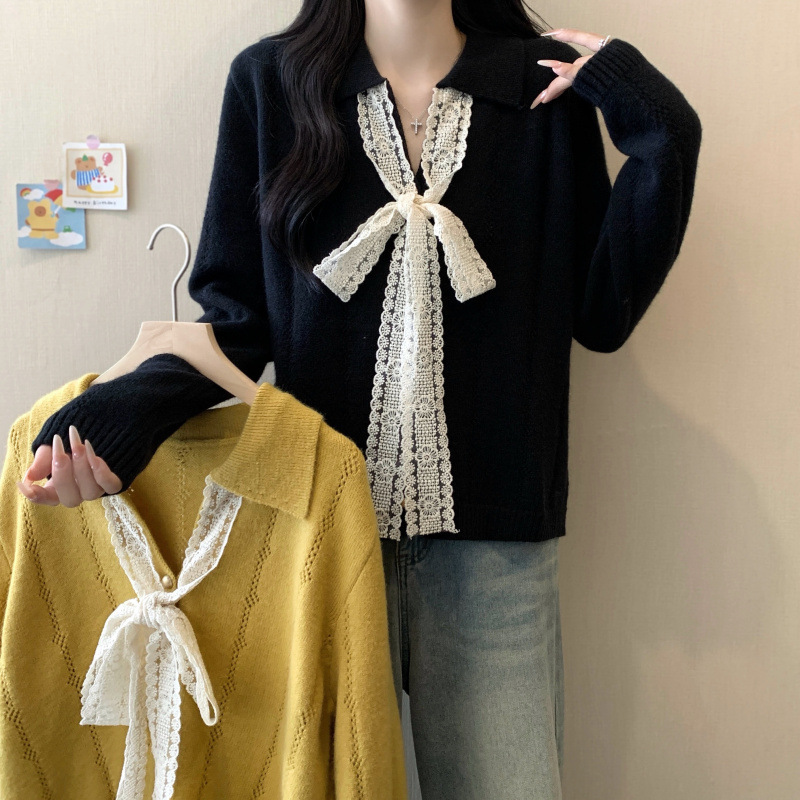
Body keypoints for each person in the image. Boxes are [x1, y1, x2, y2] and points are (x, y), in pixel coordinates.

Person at [16, 1, 702, 797]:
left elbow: (602, 315)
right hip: (323, 543)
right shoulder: (272, 83)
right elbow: (237, 325)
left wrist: (660, 125)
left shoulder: (541, 87)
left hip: (498, 555)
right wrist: (118, 421)